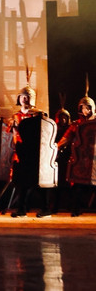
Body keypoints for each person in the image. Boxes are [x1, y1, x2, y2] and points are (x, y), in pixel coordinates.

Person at [8, 82, 56, 218]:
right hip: (21, 151)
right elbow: (12, 135)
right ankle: (22, 210)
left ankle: (46, 209)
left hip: (36, 152)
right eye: (23, 96)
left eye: (27, 96)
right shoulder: (15, 116)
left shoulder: (38, 115)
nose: (25, 99)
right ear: (19, 98)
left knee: (41, 181)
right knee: (21, 182)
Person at [57, 83, 95, 217]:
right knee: (78, 186)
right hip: (81, 160)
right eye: (83, 107)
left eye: (88, 107)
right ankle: (76, 209)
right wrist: (56, 147)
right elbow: (66, 138)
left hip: (95, 160)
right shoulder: (76, 124)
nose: (86, 110)